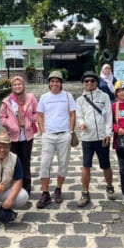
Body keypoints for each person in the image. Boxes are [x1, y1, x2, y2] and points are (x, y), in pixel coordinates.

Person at [74, 70, 117, 206]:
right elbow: (79, 115)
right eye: (86, 81)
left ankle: (109, 186)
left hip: (102, 137)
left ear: (96, 82)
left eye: (92, 81)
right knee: (86, 165)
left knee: (106, 165)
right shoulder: (80, 100)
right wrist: (81, 124)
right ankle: (85, 192)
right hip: (87, 138)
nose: (89, 83)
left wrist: (108, 133)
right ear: (83, 84)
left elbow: (109, 116)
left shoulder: (104, 97)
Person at [35, 70, 76, 208]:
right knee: (44, 164)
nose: (55, 83)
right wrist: (43, 131)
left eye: (57, 81)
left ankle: (58, 189)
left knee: (63, 163)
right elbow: (39, 115)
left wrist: (70, 131)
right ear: (49, 83)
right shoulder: (44, 97)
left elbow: (72, 114)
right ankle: (45, 192)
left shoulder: (67, 96)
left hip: (64, 134)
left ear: (61, 83)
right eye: (52, 81)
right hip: (48, 135)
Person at [0, 75, 39, 193]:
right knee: (14, 162)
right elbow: (1, 116)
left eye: (19, 84)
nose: (17, 86)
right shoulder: (7, 101)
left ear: (23, 85)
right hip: (13, 136)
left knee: (25, 161)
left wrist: (31, 119)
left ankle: (26, 187)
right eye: (15, 85)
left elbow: (38, 112)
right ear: (12, 87)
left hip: (27, 135)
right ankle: (15, 186)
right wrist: (10, 125)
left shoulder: (30, 98)